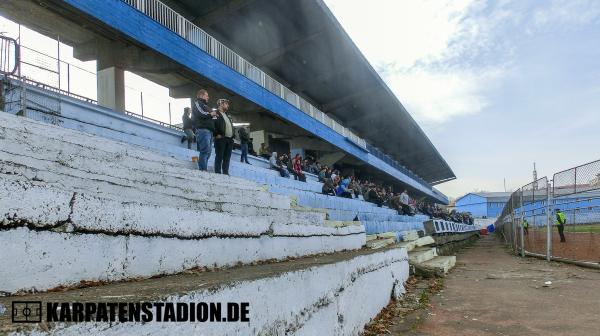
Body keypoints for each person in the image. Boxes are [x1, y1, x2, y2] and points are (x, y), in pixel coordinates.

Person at [191, 89, 216, 171]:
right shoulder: (197, 103)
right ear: (201, 95)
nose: (208, 97)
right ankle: (203, 170)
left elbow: (211, 117)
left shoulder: (206, 106)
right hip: (202, 130)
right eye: (206, 95)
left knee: (208, 152)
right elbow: (200, 113)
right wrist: (210, 114)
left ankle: (203, 167)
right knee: (205, 150)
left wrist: (214, 116)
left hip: (210, 131)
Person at [213, 98, 235, 175]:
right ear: (221, 104)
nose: (228, 105)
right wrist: (216, 134)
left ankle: (225, 172)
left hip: (230, 140)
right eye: (226, 104)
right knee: (219, 155)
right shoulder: (215, 113)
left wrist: (233, 137)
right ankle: (218, 172)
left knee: (227, 158)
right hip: (221, 138)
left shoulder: (227, 115)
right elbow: (213, 125)